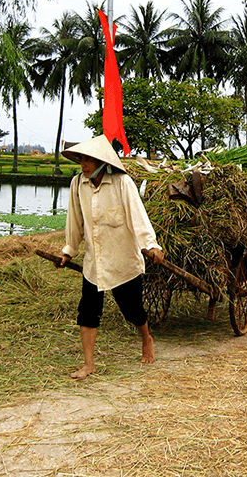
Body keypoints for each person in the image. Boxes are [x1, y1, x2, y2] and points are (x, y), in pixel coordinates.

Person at [53, 135, 164, 379]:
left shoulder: (122, 183)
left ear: (102, 161)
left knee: (132, 310)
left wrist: (151, 245)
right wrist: (68, 251)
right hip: (95, 263)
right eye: (81, 159)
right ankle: (89, 364)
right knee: (88, 311)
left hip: (122, 260)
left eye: (88, 159)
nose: (83, 164)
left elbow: (138, 217)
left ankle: (146, 338)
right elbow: (75, 221)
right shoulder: (77, 184)